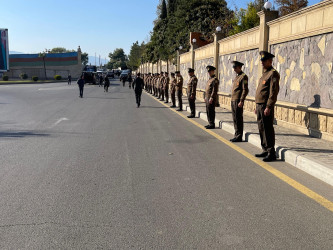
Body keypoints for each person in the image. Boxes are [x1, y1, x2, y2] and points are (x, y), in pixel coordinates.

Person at [254, 51, 280, 162]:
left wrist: (268, 106)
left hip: (265, 106)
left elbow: (273, 92)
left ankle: (271, 152)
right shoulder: (265, 74)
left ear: (270, 61)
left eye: (264, 61)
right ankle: (265, 149)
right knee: (261, 127)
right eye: (261, 61)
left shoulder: (273, 73)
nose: (262, 62)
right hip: (260, 105)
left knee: (268, 128)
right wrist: (257, 105)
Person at [230, 61, 249, 142]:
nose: (234, 69)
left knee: (238, 118)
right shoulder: (237, 77)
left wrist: (241, 100)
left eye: (235, 68)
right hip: (233, 100)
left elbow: (245, 90)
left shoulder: (243, 77)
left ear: (240, 67)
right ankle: (236, 134)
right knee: (235, 118)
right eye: (233, 68)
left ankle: (239, 136)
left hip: (238, 100)